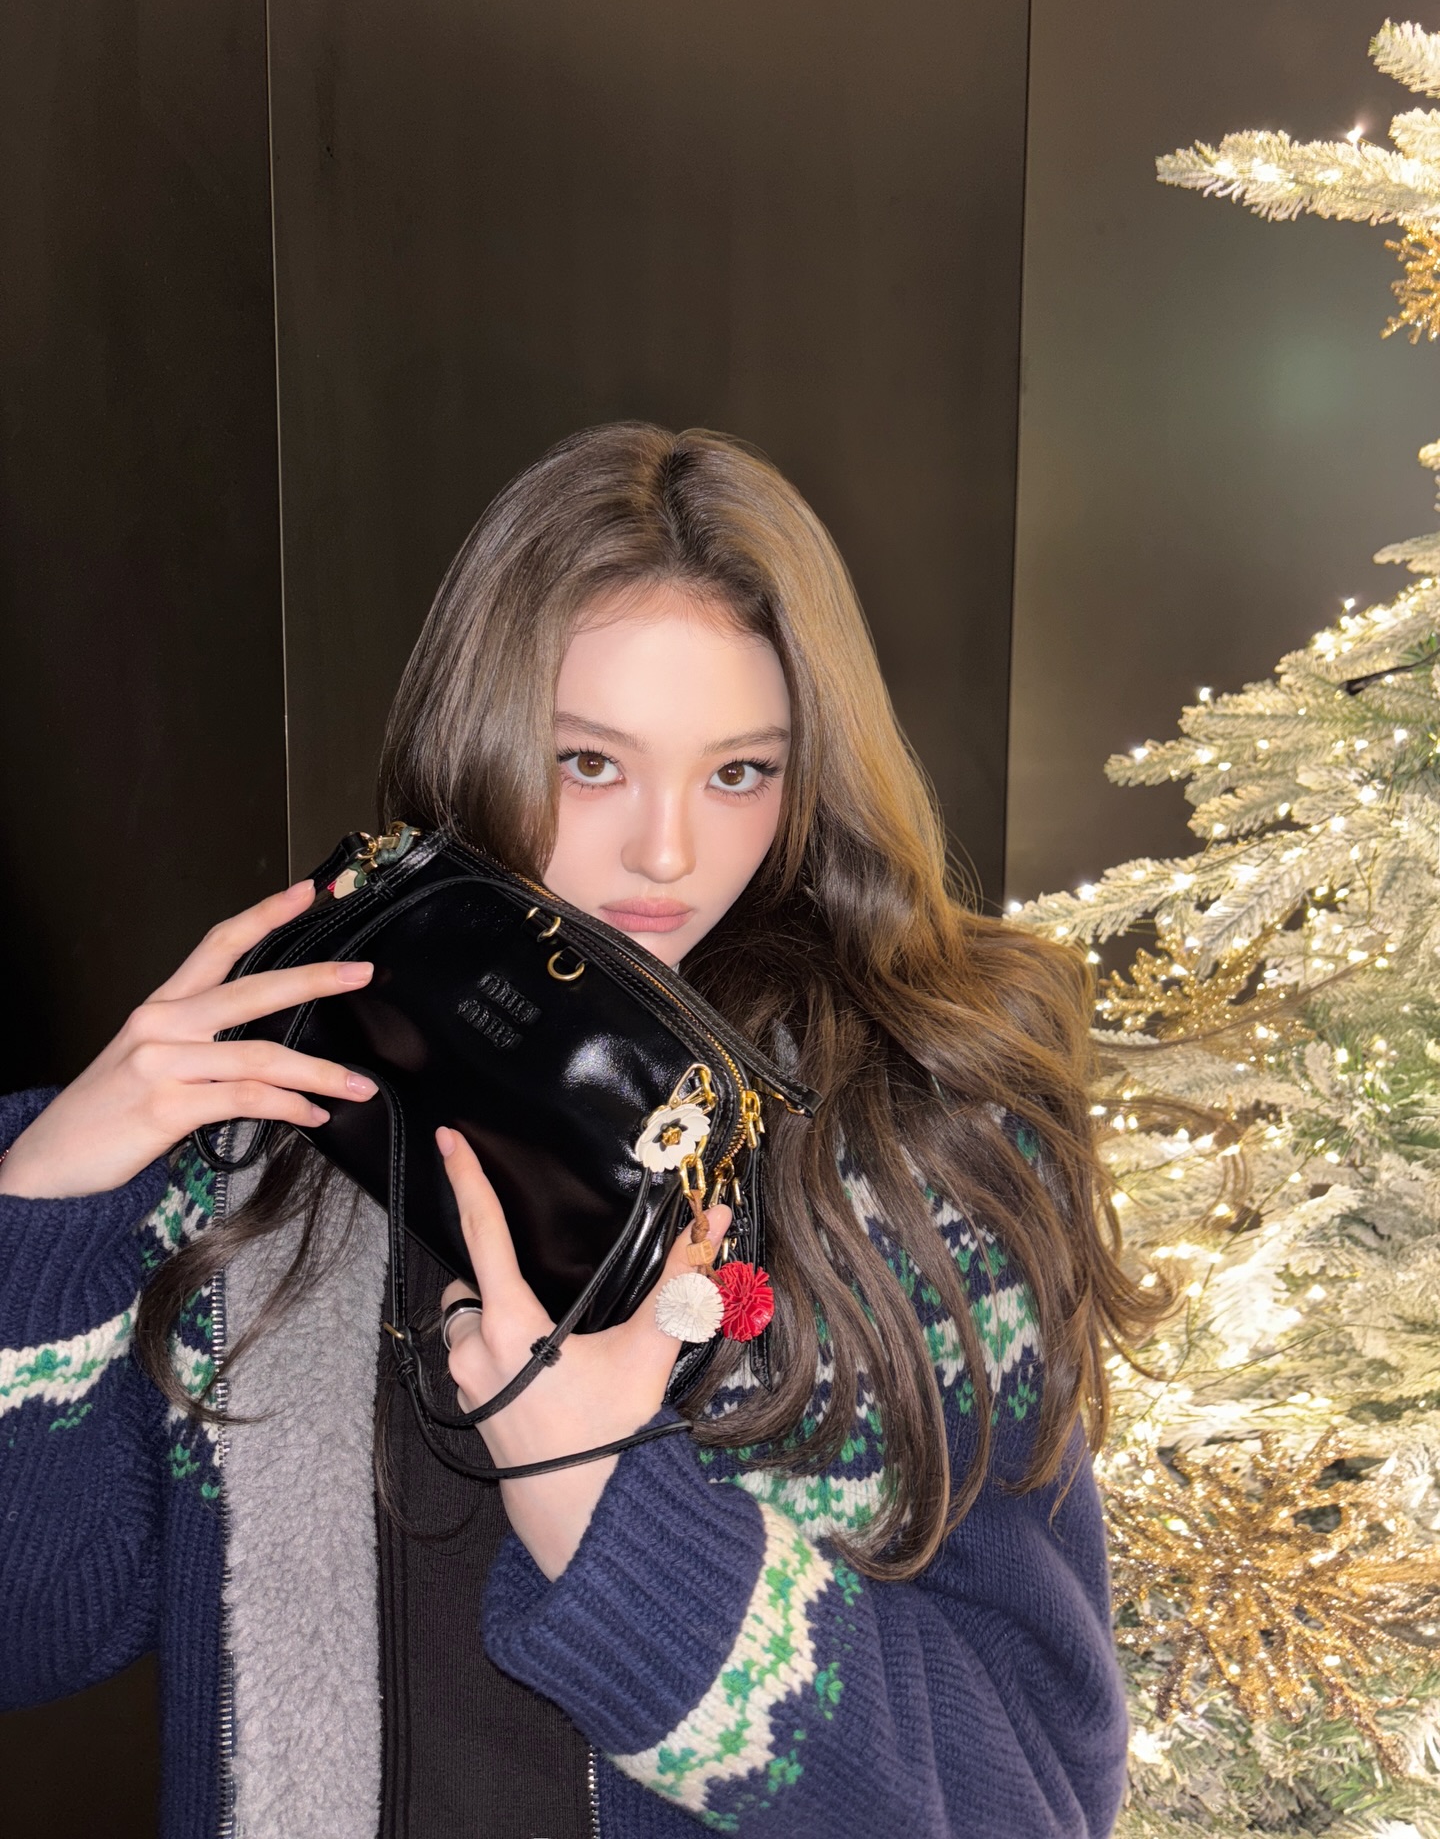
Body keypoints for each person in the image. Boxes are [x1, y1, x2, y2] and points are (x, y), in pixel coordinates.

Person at [0, 423, 1159, 1839]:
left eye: (739, 772)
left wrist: (613, 1517)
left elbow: (1028, 1801)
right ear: (475, 735)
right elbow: (33, 1632)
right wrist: (43, 1210)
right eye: (591, 763)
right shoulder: (269, 1124)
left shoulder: (912, 1158)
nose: (667, 852)